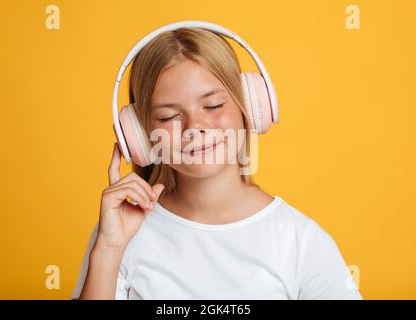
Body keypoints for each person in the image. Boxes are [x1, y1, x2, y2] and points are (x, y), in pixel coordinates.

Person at [71, 27, 362, 300]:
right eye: (169, 116)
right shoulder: (119, 236)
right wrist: (109, 249)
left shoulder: (300, 241)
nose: (194, 126)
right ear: (141, 135)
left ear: (249, 106)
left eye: (213, 105)